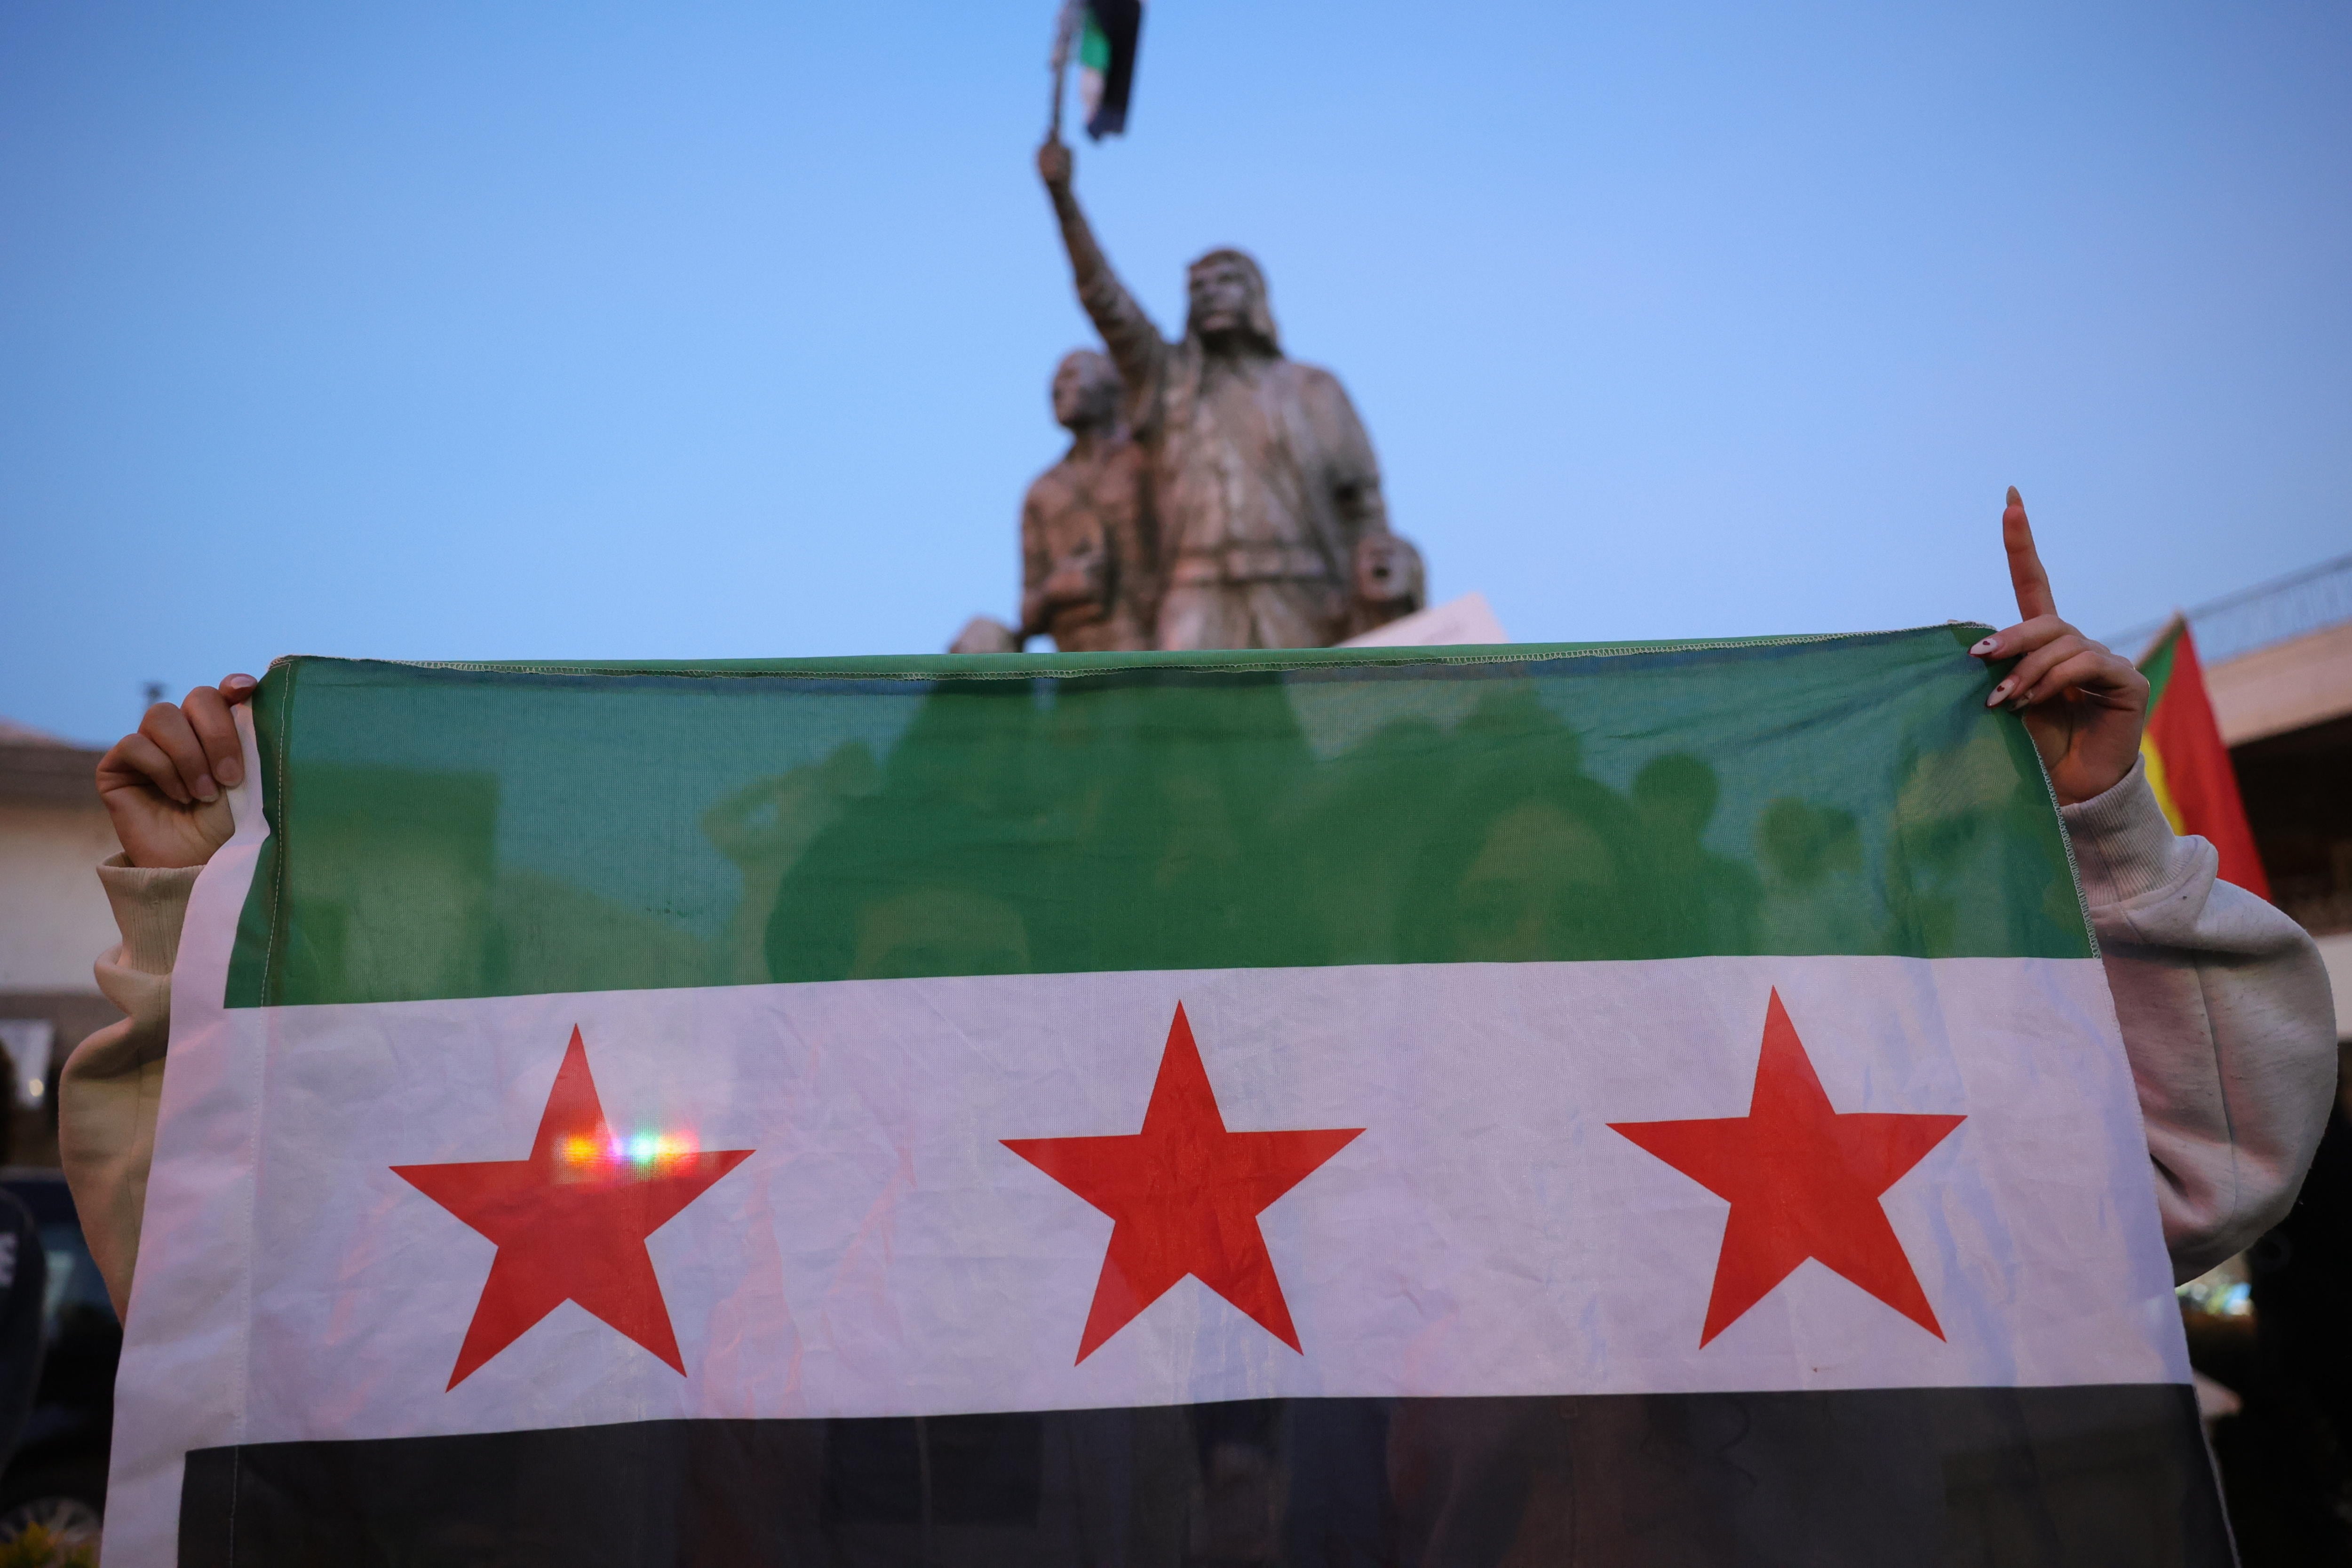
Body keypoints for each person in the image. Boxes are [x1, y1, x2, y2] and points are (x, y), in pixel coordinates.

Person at [60, 494, 2339, 1320]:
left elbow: (2181, 1177)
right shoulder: (716, 1245)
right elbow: (244, 1293)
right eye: (903, 960)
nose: (945, 999)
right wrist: (182, 918)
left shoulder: (1528, 1194)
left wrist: (2099, 850)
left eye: (1568, 918)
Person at [1038, 135, 1405, 651]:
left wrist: (1371, 590)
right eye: (1198, 286)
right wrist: (1063, 201)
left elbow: (1364, 506)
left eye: (1226, 280)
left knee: (1307, 727)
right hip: (1195, 591)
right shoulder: (1166, 382)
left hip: (1301, 588)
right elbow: (1104, 298)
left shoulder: (1314, 389)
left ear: (1256, 296)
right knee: (1188, 725)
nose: (1210, 292)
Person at [1018, 349, 1158, 652]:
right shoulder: (1042, 492)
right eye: (1055, 381)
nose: (1056, 389)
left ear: (1110, 387)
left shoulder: (1145, 466)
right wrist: (1056, 588)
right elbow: (1027, 613)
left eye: (1071, 376)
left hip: (1149, 657)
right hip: (1077, 670)